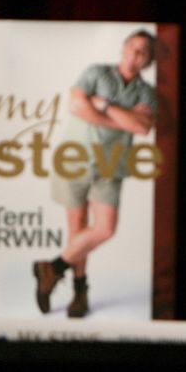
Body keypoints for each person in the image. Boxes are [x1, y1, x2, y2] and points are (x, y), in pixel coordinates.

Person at [32, 29, 158, 318]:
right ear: (124, 48)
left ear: (147, 60)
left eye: (143, 52)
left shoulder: (145, 93)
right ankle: (80, 292)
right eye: (133, 48)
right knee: (77, 229)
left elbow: (141, 127)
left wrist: (104, 105)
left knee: (104, 228)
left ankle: (51, 268)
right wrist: (123, 118)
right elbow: (76, 105)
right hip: (74, 158)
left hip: (110, 164)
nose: (136, 55)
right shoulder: (96, 73)